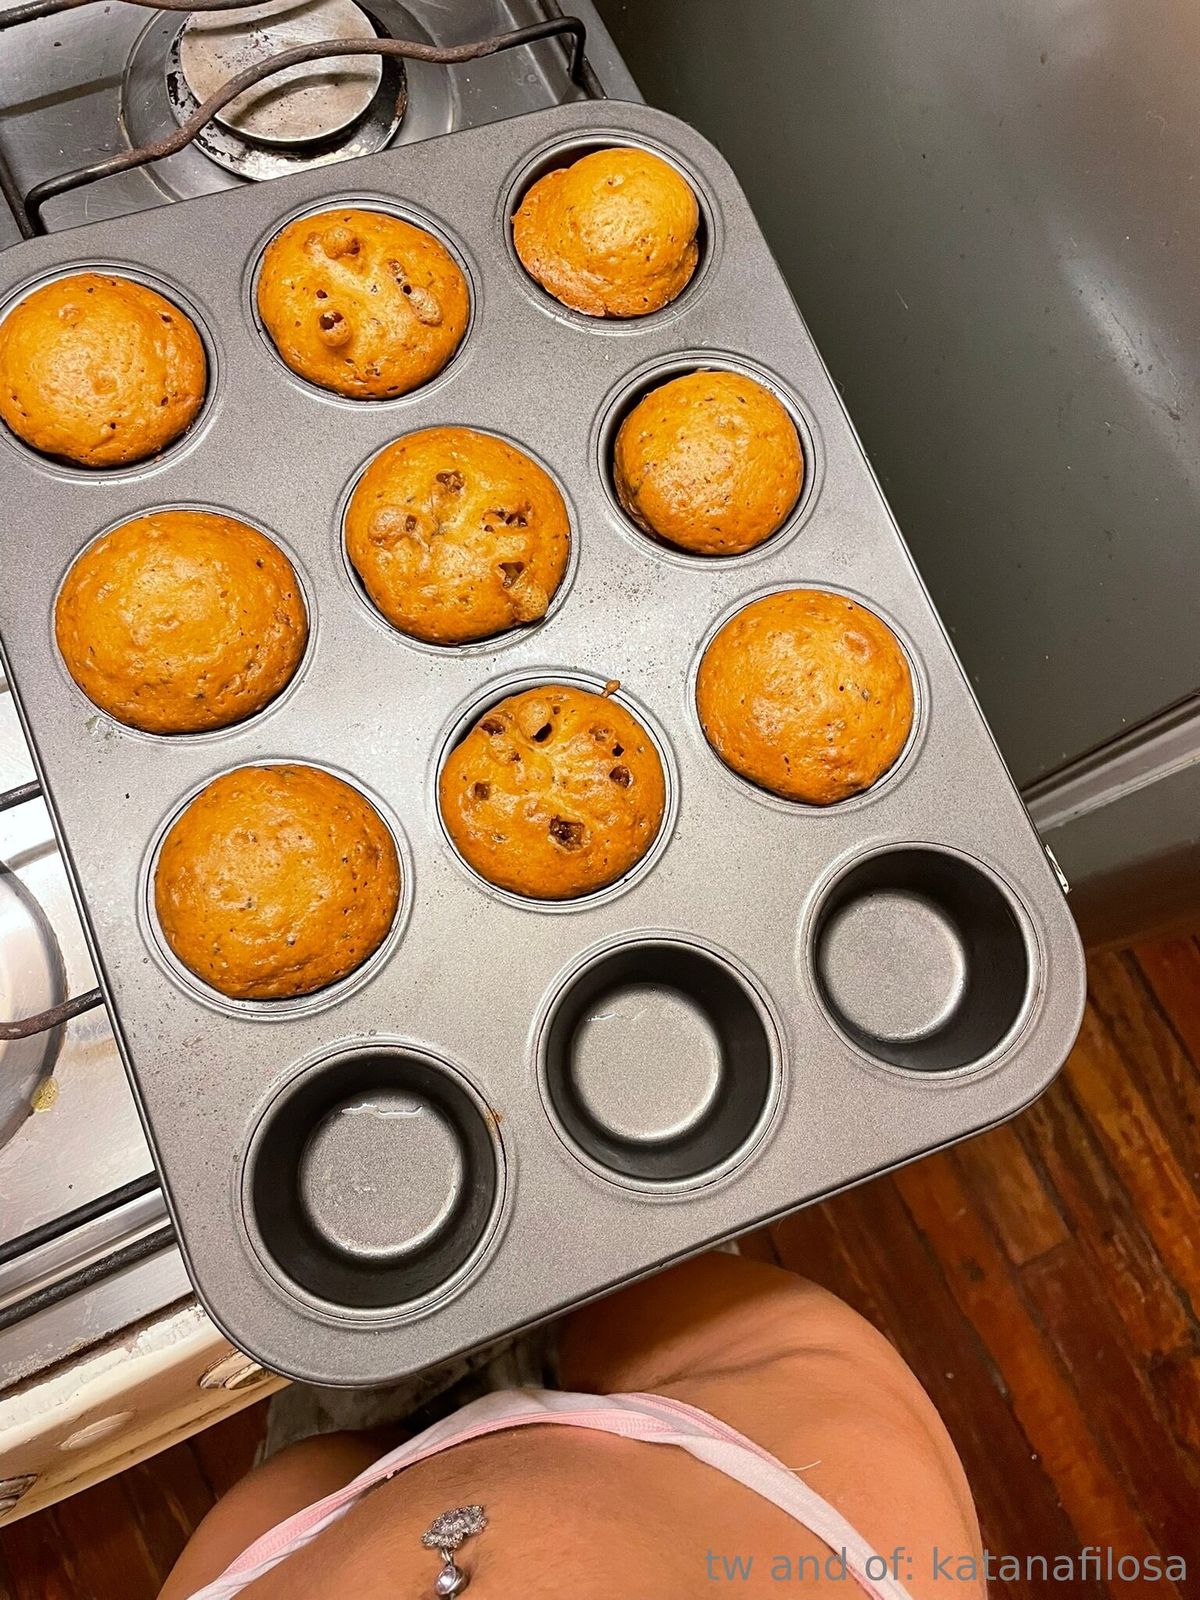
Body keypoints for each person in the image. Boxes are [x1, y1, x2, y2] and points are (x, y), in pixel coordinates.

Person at [158, 1253, 984, 1599]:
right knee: (623, 1270)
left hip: (313, 1519)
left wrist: (352, 1472)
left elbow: (295, 1488)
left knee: (328, 1430)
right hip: (734, 1436)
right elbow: (758, 1341)